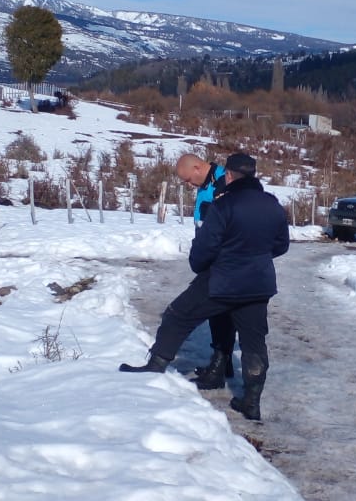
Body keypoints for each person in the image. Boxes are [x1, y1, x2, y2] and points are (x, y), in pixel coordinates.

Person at [120, 153, 290, 421]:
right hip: (259, 284)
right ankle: (252, 402)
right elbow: (281, 245)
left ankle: (154, 367)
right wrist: (255, 257)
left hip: (222, 280)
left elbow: (204, 249)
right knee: (254, 344)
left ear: (230, 175)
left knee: (177, 315)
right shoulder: (273, 205)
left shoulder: (223, 205)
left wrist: (202, 266)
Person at [171, 153, 237, 389]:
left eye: (189, 179)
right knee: (216, 312)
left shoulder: (225, 181)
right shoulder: (207, 183)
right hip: (209, 256)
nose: (189, 185)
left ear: (198, 167)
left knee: (224, 313)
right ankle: (221, 362)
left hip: (223, 260)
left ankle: (221, 364)